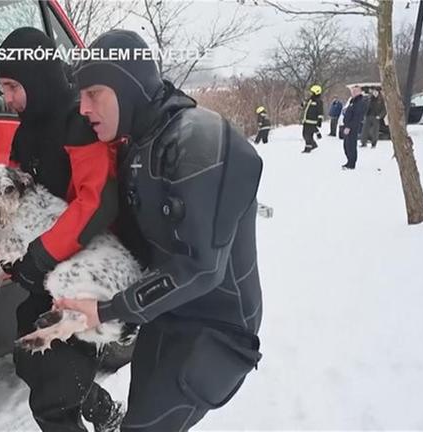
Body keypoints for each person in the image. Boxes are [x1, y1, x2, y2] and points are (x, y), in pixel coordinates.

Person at [56, 30, 263, 432]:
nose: (83, 108)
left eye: (94, 93)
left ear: (128, 86)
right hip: (166, 313)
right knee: (138, 422)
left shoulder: (199, 139)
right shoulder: (138, 143)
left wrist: (107, 309)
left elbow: (201, 268)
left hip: (217, 327)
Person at [0, 27, 124, 432]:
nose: (7, 98)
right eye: (2, 88)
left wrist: (42, 253)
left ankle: (89, 410)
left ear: (37, 78)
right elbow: (18, 198)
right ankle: (102, 409)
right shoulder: (25, 131)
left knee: (51, 379)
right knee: (36, 353)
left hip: (85, 271)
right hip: (49, 272)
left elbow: (97, 200)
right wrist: (8, 248)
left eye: (13, 86)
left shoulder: (78, 125)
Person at [341, 85, 368, 170]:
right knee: (346, 145)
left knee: (351, 145)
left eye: (355, 91)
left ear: (359, 92)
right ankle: (349, 161)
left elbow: (357, 117)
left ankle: (351, 163)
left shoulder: (360, 102)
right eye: (352, 91)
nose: (353, 93)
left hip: (353, 127)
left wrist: (349, 127)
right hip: (347, 126)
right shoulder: (353, 101)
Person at [300, 85, 324, 153]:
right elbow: (305, 105)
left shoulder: (319, 101)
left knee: (308, 135)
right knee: (305, 134)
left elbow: (320, 111)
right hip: (306, 121)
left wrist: (319, 120)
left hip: (312, 121)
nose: (310, 93)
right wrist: (302, 104)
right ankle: (313, 144)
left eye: (312, 92)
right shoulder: (310, 100)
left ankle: (308, 148)